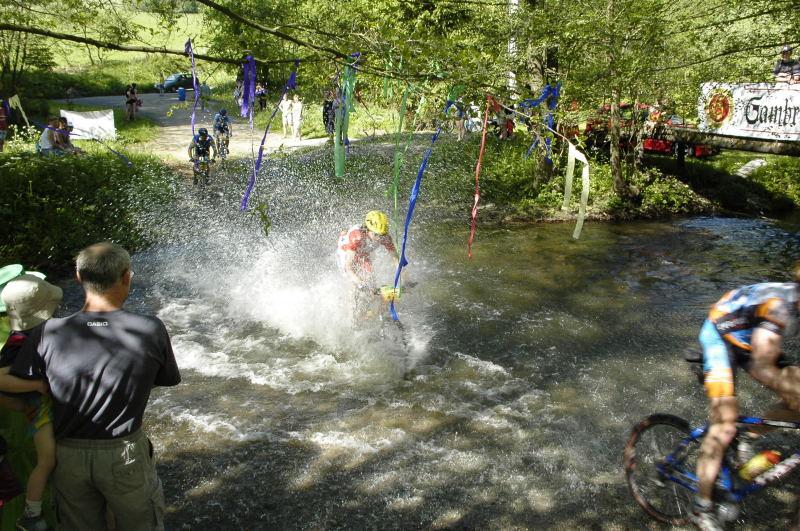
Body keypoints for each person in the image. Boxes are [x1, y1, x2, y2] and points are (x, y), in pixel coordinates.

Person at [12, 242, 181, 531]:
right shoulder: (149, 328)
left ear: (78, 277)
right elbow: (163, 379)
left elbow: (25, 384)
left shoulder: (47, 332)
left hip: (66, 456)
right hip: (124, 452)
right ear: (127, 276)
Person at [690, 273, 800, 530]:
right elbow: (763, 367)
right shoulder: (779, 307)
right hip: (720, 335)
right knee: (724, 425)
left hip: (751, 336)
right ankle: (700, 506)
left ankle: (747, 437)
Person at [0, 274, 61, 531]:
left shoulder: (31, 333)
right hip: (40, 409)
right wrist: (35, 386)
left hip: (39, 408)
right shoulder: (18, 342)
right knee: (47, 461)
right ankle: (32, 515)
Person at [336, 211, 405, 322]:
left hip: (362, 253)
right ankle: (351, 319)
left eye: (382, 235)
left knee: (372, 284)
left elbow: (395, 259)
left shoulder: (384, 236)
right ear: (367, 229)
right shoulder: (357, 237)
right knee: (355, 286)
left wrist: (405, 280)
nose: (379, 238)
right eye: (376, 235)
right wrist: (360, 283)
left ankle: (367, 312)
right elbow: (348, 267)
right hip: (346, 253)